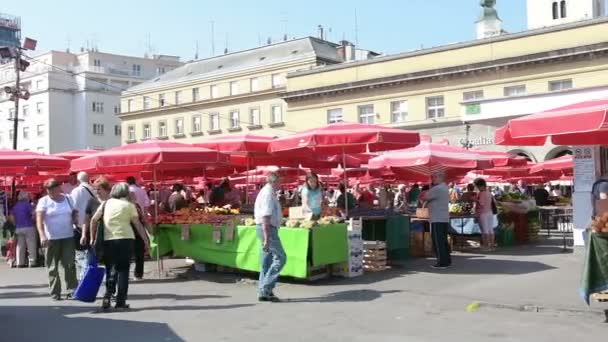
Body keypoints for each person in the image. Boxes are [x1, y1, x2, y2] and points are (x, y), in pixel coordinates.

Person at [90, 182, 150, 310]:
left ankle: (107, 295)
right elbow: (138, 225)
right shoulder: (129, 205)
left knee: (110, 268)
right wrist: (146, 240)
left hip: (108, 240)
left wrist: (92, 237)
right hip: (126, 239)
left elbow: (94, 220)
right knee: (123, 270)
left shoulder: (105, 203)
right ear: (126, 192)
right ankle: (120, 302)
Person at [36, 179, 78, 300]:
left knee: (69, 264)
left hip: (68, 236)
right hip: (51, 238)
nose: (50, 191)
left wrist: (75, 218)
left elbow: (74, 211)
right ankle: (55, 292)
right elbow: (39, 221)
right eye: (48, 189)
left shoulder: (68, 198)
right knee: (52, 266)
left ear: (59, 188)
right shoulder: (43, 201)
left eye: (53, 188)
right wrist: (42, 235)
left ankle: (72, 289)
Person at [254, 172, 285, 302]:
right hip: (268, 229)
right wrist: (267, 237)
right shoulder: (267, 193)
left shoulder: (268, 192)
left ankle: (264, 291)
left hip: (266, 228)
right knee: (281, 257)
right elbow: (266, 216)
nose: (281, 184)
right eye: (280, 182)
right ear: (274, 181)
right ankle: (266, 287)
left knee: (266, 260)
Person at [422, 172, 451, 269]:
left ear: (441, 177)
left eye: (435, 177)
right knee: (443, 240)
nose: (433, 179)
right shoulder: (445, 187)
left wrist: (427, 191)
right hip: (443, 217)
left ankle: (442, 262)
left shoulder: (437, 189)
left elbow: (424, 197)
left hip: (437, 218)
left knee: (438, 241)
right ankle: (446, 260)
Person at [70, 172, 96, 281]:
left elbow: (73, 208)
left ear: (78, 180)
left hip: (80, 225)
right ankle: (91, 272)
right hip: (93, 224)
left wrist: (73, 222)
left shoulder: (76, 191)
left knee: (80, 252)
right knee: (91, 250)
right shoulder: (94, 190)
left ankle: (84, 274)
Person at [9, 191, 36, 268]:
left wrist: (15, 223)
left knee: (20, 245)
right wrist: (33, 220)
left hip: (19, 227)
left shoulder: (15, 206)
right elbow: (33, 213)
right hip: (29, 226)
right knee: (31, 244)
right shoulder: (27, 204)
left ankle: (19, 263)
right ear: (26, 197)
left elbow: (11, 217)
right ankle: (32, 262)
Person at [129, 190, 148, 281]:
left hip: (132, 233)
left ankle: (137, 274)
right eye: (133, 196)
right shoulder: (133, 207)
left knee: (137, 255)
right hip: (136, 233)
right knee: (138, 255)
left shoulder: (135, 206)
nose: (134, 197)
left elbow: (143, 219)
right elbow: (142, 219)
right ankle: (138, 275)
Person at [474, 178, 495, 251]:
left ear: (481, 186)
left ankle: (486, 246)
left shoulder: (481, 193)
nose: (477, 188)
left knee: (485, 231)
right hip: (490, 212)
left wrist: (475, 199)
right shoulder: (489, 192)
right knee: (491, 230)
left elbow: (481, 203)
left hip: (483, 213)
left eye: (477, 186)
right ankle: (492, 246)